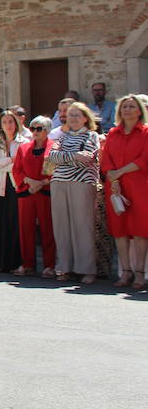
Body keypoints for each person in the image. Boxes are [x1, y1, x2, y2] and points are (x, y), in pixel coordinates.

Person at [47, 101, 101, 284]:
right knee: (61, 226)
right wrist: (74, 156)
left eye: (77, 115)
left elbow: (87, 158)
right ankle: (64, 266)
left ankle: (87, 268)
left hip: (82, 183)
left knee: (83, 225)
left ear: (86, 118)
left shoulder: (92, 136)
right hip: (59, 182)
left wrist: (66, 158)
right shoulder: (62, 137)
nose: (73, 119)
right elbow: (52, 157)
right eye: (71, 115)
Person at [100, 95, 148, 290]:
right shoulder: (113, 133)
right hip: (115, 186)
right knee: (119, 229)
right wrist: (112, 176)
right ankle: (125, 271)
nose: (127, 110)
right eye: (124, 106)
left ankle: (139, 273)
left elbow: (144, 159)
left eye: (131, 106)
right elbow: (106, 157)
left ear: (139, 111)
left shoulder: (145, 132)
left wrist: (118, 173)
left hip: (138, 184)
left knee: (139, 230)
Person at [12, 116, 58, 277]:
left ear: (47, 131)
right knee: (26, 228)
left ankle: (49, 265)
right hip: (27, 191)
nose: (35, 132)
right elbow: (17, 169)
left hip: (45, 191)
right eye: (33, 128)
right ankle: (28, 263)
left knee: (47, 228)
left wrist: (41, 183)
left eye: (39, 129)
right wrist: (28, 181)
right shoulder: (23, 148)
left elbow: (53, 170)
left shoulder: (54, 148)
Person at [0, 110, 26, 273]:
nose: (8, 125)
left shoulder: (23, 141)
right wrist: (10, 160)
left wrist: (2, 163)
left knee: (13, 223)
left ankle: (13, 262)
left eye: (11, 121)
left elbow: (21, 165)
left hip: (15, 185)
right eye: (5, 122)